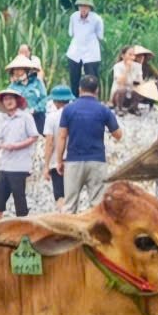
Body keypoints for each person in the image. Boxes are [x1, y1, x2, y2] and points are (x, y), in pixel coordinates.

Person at [56, 75, 121, 213]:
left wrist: (59, 160)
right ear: (96, 90)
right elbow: (118, 135)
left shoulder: (68, 109)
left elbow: (62, 136)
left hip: (74, 161)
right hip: (97, 161)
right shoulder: (103, 110)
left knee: (69, 205)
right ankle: (96, 234)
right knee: (97, 206)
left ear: (79, 89)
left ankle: (68, 234)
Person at [0, 89, 40, 219]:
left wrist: (16, 146)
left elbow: (34, 137)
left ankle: (22, 223)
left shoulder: (25, 117)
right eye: (6, 99)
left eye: (11, 98)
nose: (9, 101)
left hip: (20, 164)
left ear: (17, 100)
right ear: (2, 103)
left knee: (19, 196)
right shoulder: (4, 120)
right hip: (5, 163)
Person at [41, 85, 74, 211]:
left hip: (57, 162)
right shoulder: (76, 114)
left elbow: (49, 142)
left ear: (54, 101)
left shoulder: (51, 117)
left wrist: (46, 165)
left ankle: (63, 220)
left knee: (60, 196)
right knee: (71, 196)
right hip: (74, 161)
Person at [66, 0, 104, 96]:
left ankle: (93, 99)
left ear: (90, 8)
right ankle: (74, 99)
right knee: (74, 78)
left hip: (91, 51)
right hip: (75, 50)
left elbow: (100, 36)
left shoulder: (97, 19)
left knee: (92, 78)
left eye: (86, 7)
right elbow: (71, 33)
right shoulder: (73, 17)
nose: (83, 9)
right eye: (81, 6)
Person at [6, 54, 49, 134]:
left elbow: (44, 98)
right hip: (20, 118)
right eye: (15, 69)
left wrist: (35, 109)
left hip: (37, 116)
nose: (17, 71)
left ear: (26, 69)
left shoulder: (37, 83)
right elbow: (8, 103)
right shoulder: (12, 87)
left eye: (19, 68)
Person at [109, 45, 145, 114]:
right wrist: (127, 69)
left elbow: (140, 81)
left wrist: (139, 84)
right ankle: (119, 108)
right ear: (123, 56)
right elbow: (120, 82)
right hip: (118, 95)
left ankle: (133, 108)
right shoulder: (117, 66)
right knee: (122, 89)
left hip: (131, 94)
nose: (132, 57)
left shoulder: (138, 66)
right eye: (130, 54)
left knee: (139, 89)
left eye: (133, 55)